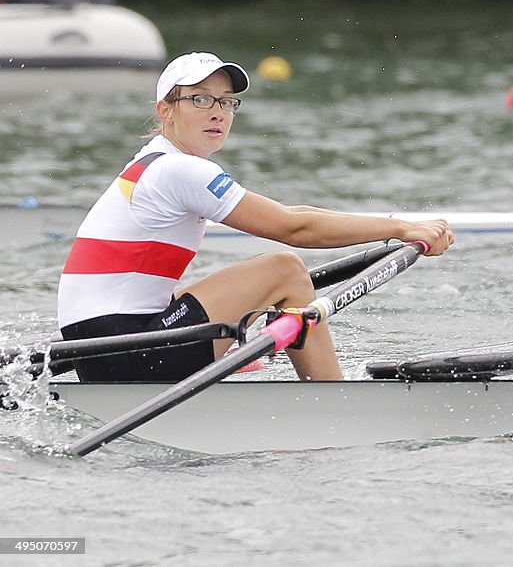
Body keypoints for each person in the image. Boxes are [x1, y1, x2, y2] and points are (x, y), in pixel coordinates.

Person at [57, 51, 455, 383]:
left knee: (253, 283)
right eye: (200, 99)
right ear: (166, 110)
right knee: (283, 270)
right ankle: (331, 400)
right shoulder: (179, 170)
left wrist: (394, 223)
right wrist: (401, 227)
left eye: (226, 101)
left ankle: (270, 366)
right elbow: (293, 229)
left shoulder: (156, 162)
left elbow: (296, 214)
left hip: (101, 348)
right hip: (122, 352)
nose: (217, 112)